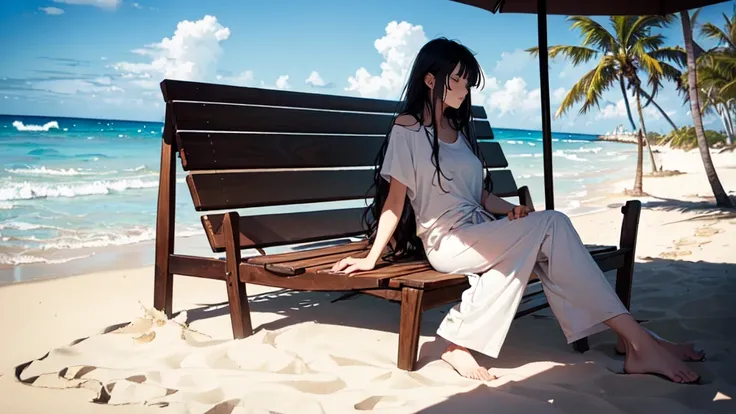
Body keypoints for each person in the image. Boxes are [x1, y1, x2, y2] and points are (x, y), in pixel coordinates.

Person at [330, 38, 703, 384]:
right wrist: (371, 258)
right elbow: (396, 201)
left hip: (483, 232)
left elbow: (480, 197)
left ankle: (462, 345)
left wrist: (512, 211)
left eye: (468, 82)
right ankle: (640, 342)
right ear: (431, 79)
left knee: (544, 243)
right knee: (554, 224)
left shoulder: (459, 135)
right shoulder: (407, 130)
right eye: (459, 80)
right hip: (448, 241)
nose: (465, 89)